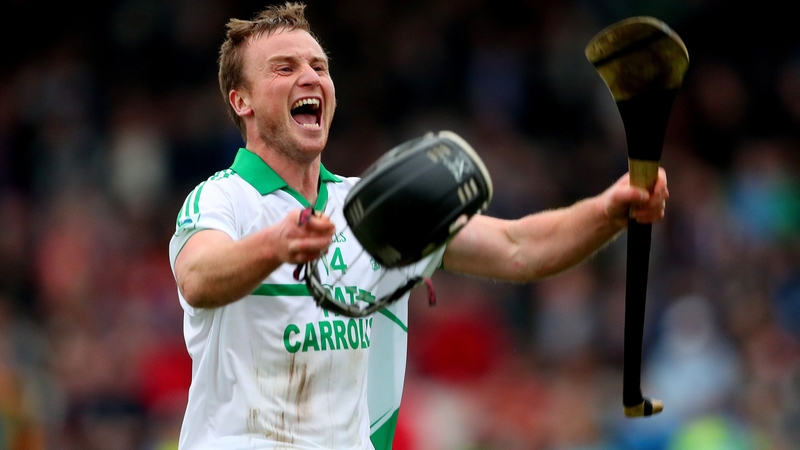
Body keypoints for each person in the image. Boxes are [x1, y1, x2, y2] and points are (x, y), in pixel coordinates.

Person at [168, 2, 670, 450]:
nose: (310, 77)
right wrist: (275, 245)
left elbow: (519, 248)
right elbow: (199, 277)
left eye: (319, 67)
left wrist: (607, 210)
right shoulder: (221, 198)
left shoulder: (372, 207)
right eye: (285, 68)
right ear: (242, 101)